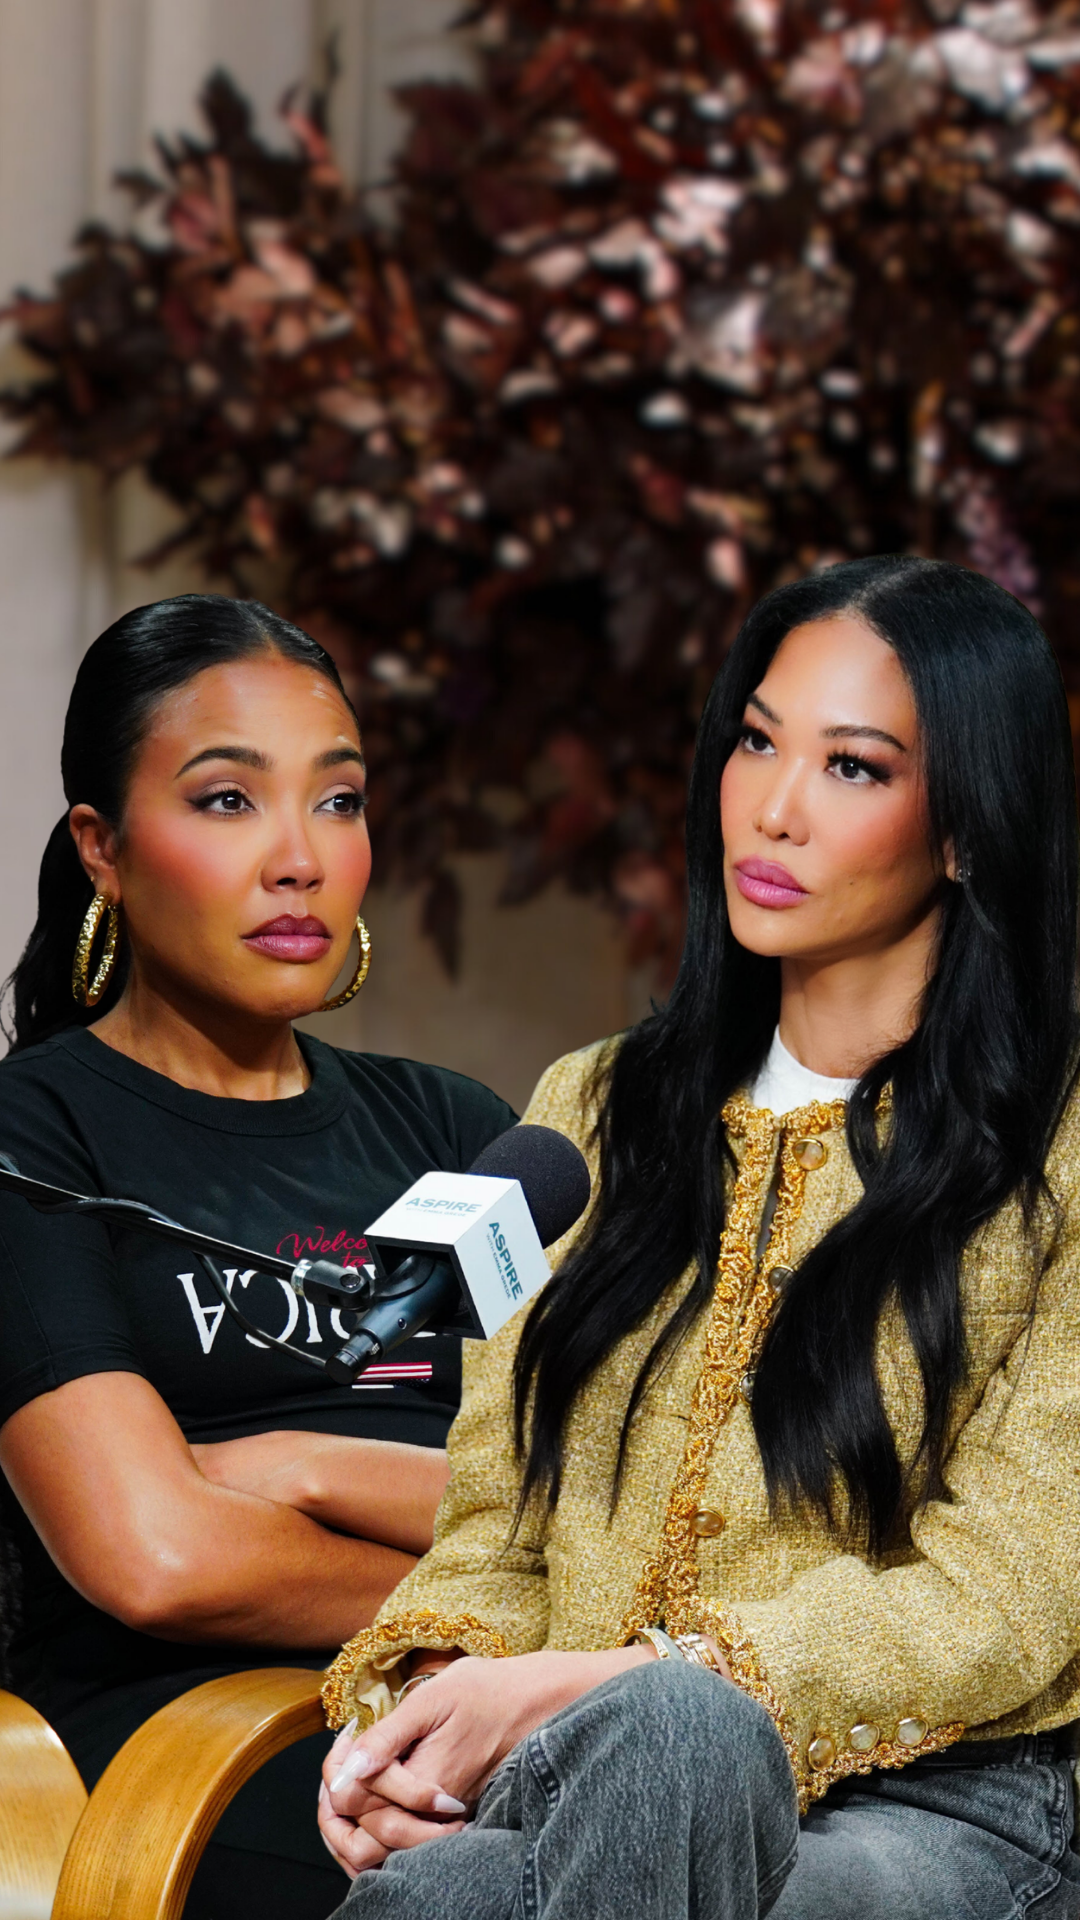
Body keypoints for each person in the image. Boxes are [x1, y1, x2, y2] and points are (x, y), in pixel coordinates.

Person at [318, 555, 1080, 1920]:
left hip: (941, 1808)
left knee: (666, 1745)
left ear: (967, 825)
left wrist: (622, 1683)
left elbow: (1010, 1593)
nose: (772, 810)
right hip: (582, 1782)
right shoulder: (590, 1113)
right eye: (755, 741)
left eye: (853, 769)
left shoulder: (1061, 1144)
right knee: (441, 1890)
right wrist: (426, 1713)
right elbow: (493, 1531)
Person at [0, 594, 516, 1920]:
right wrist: (484, 1605)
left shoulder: (458, 1133)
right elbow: (156, 1556)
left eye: (336, 803)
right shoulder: (33, 1134)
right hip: (206, 1748)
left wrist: (292, 1470)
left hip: (494, 1713)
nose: (299, 858)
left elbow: (584, 1503)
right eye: (228, 800)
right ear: (102, 848)